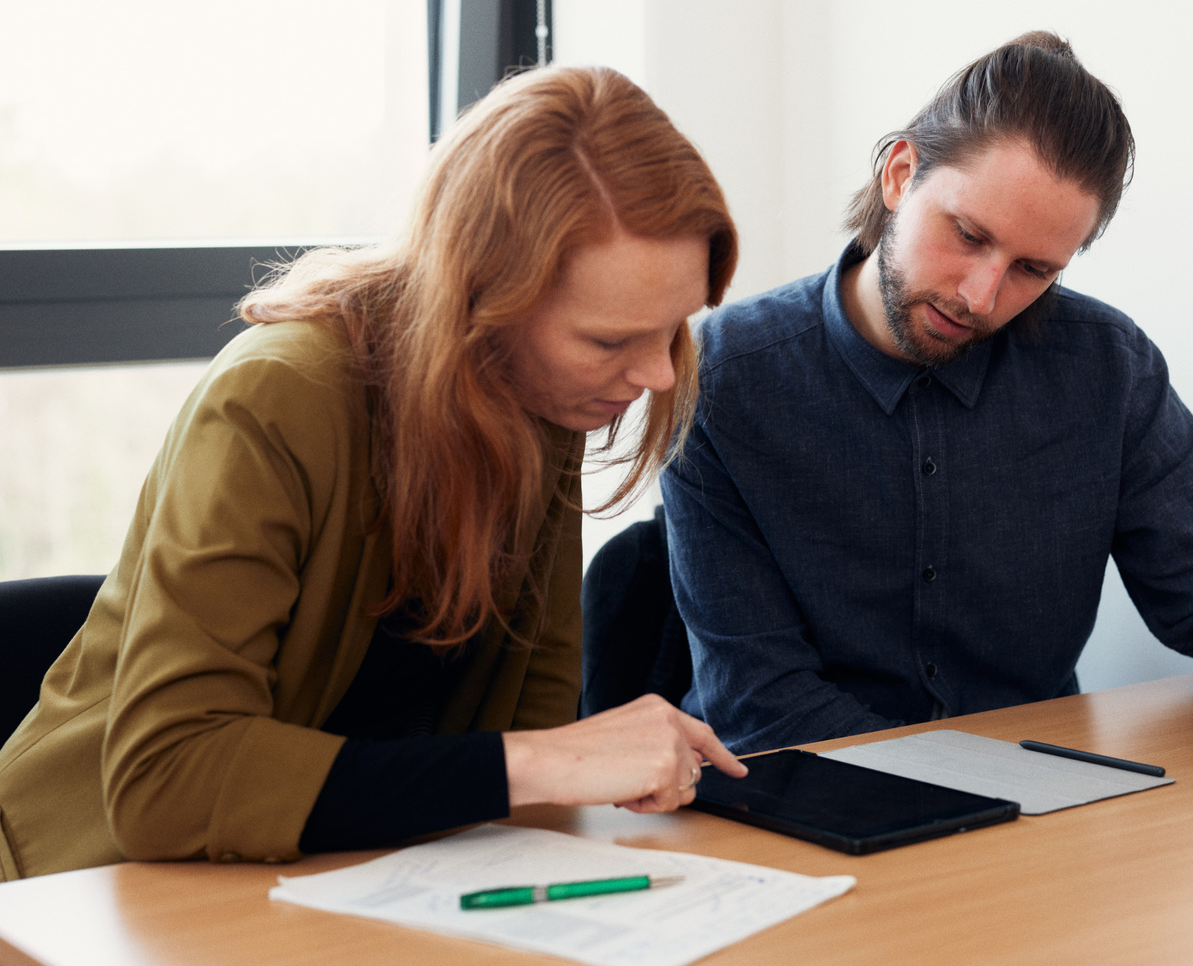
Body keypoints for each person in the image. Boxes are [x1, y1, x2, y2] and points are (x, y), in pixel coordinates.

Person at [0, 65, 747, 882]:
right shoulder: (273, 398)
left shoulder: (540, 399)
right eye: (609, 341)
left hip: (339, 883)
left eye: (669, 328)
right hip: (85, 893)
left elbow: (532, 708)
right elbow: (167, 779)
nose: (659, 377)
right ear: (483, 302)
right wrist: (537, 763)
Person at [661, 32, 1193, 798]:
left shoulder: (1105, 368)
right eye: (968, 235)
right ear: (900, 174)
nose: (980, 296)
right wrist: (969, 794)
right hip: (812, 800)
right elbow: (761, 702)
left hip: (1031, 809)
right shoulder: (723, 376)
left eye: (1034, 269)